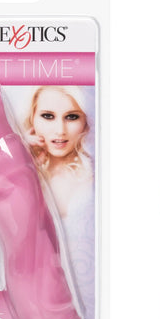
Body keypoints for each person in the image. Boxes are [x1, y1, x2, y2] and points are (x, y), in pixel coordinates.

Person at [24, 86, 93, 219]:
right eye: (48, 116)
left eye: (72, 117)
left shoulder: (97, 172)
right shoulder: (22, 167)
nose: (60, 130)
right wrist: (18, 162)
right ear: (32, 118)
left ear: (86, 121)